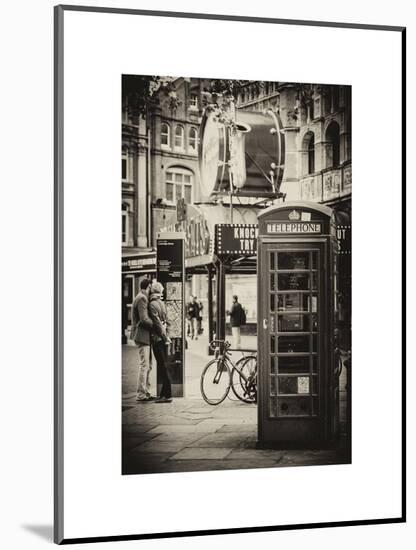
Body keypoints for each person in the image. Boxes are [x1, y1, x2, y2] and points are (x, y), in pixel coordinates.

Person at [130, 278, 156, 402]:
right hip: (142, 336)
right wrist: (156, 324)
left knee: (148, 365)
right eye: (150, 287)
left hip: (144, 336)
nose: (151, 290)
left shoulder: (141, 297)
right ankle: (141, 393)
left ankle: (146, 391)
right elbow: (144, 319)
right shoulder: (142, 298)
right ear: (148, 287)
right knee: (145, 365)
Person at [148, 281, 172, 403]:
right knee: (163, 366)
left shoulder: (152, 304)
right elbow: (168, 321)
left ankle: (167, 395)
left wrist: (163, 336)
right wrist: (167, 335)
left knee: (162, 367)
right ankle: (163, 393)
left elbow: (157, 323)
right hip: (163, 339)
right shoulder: (162, 303)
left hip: (157, 339)